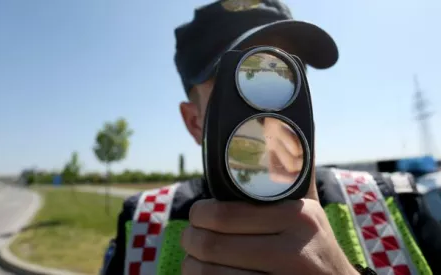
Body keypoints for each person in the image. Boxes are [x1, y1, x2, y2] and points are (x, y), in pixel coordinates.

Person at [101, 1, 433, 274]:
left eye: (288, 73)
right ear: (195, 122)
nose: (275, 108)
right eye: (245, 79)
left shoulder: (390, 204)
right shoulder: (144, 227)